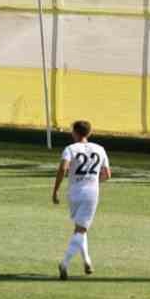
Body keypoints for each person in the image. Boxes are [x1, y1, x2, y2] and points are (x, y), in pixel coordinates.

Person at [52, 119, 110, 279]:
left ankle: (87, 262)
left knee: (80, 228)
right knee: (81, 230)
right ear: (89, 133)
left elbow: (63, 168)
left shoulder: (70, 149)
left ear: (75, 133)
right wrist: (92, 180)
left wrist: (56, 190)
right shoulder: (100, 149)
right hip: (91, 193)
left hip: (74, 193)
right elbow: (107, 174)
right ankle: (64, 263)